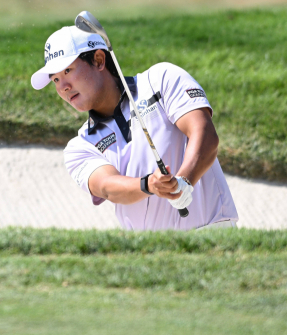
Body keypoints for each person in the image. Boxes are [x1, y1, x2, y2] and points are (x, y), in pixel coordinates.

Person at [31, 25, 238, 230]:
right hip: (148, 256)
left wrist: (184, 182)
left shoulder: (160, 80)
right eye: (56, 79)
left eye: (68, 70)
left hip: (213, 236)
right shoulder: (81, 146)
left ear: (99, 60)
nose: (63, 87)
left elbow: (204, 133)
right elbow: (106, 187)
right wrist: (149, 185)